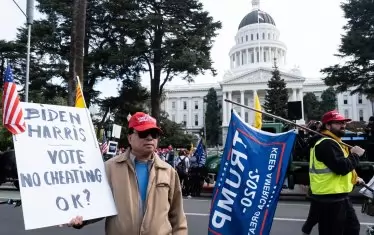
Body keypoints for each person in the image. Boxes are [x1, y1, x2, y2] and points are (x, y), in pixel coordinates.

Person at [64, 112, 188, 235]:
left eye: (154, 134)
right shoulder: (110, 168)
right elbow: (98, 206)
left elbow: (178, 218)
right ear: (130, 138)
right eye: (143, 133)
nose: (150, 138)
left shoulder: (169, 172)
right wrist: (81, 219)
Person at [307, 110, 365, 235]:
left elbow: (340, 165)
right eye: (338, 123)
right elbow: (341, 167)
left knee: (352, 228)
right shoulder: (326, 143)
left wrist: (355, 178)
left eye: (343, 122)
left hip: (337, 197)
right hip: (330, 199)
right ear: (327, 126)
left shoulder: (332, 142)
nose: (343, 125)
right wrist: (355, 155)